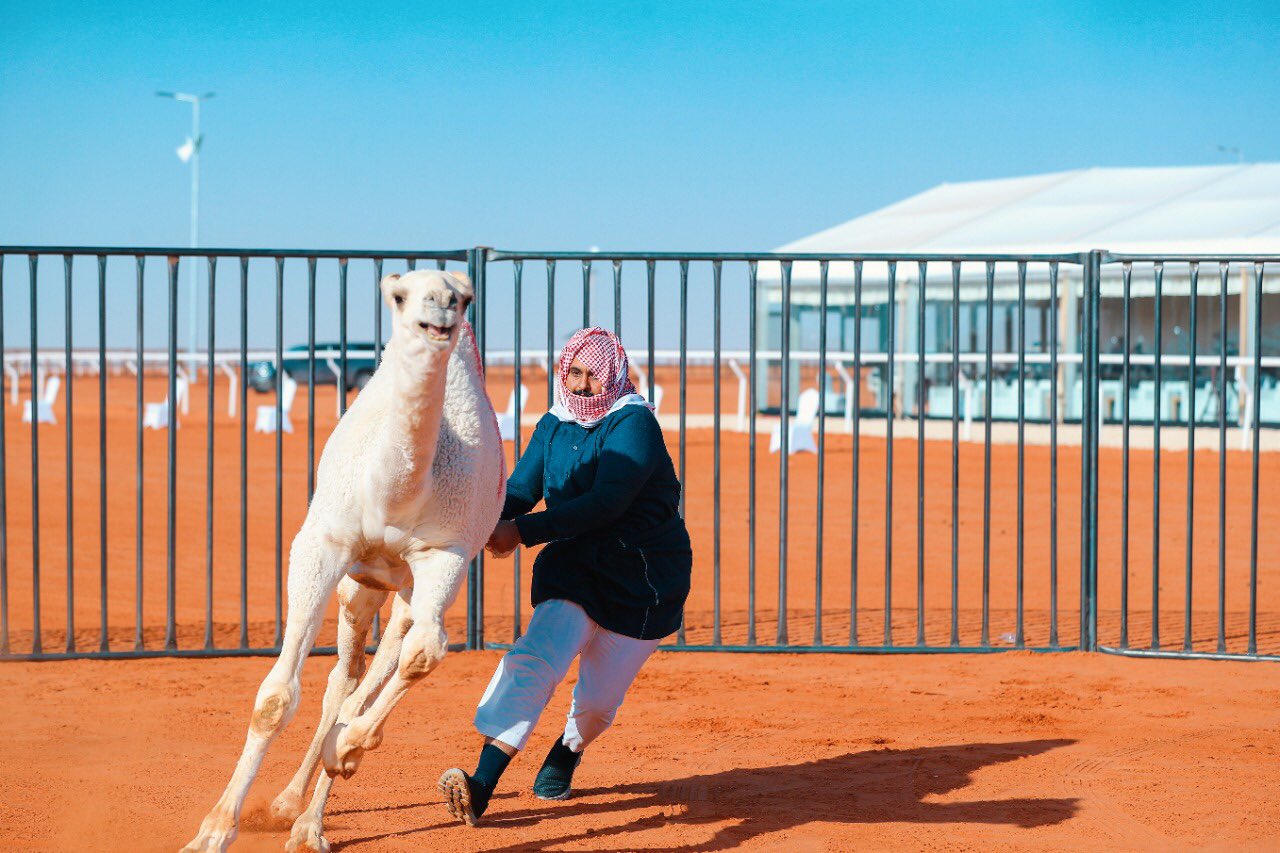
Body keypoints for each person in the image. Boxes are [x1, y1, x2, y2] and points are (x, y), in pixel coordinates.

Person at [438, 326, 692, 826]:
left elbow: (606, 503)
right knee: (535, 658)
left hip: (643, 578)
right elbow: (520, 488)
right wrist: (482, 523)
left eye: (590, 375)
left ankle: (568, 750)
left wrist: (521, 532)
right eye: (572, 372)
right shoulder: (554, 423)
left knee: (597, 704)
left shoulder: (634, 424)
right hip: (576, 568)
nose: (578, 385)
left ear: (613, 375)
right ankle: (481, 785)